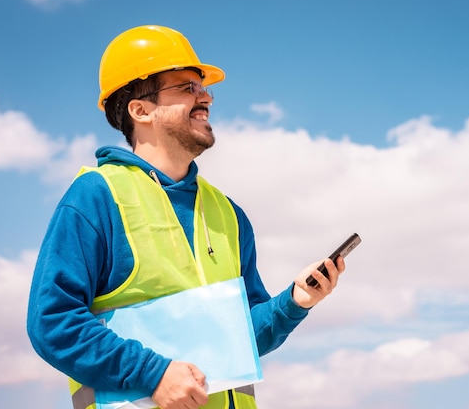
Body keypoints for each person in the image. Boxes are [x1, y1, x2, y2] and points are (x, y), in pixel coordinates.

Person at [27, 25, 346, 409]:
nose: (206, 96)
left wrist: (294, 302)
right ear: (140, 109)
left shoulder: (229, 214)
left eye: (204, 87)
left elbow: (242, 339)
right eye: (186, 88)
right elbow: (52, 322)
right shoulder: (96, 196)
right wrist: (153, 373)